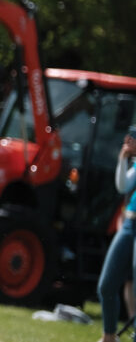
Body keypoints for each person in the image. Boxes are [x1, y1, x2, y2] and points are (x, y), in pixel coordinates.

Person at [96, 132, 136, 342]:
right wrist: (123, 158)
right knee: (107, 285)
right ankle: (109, 336)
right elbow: (123, 186)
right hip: (130, 223)